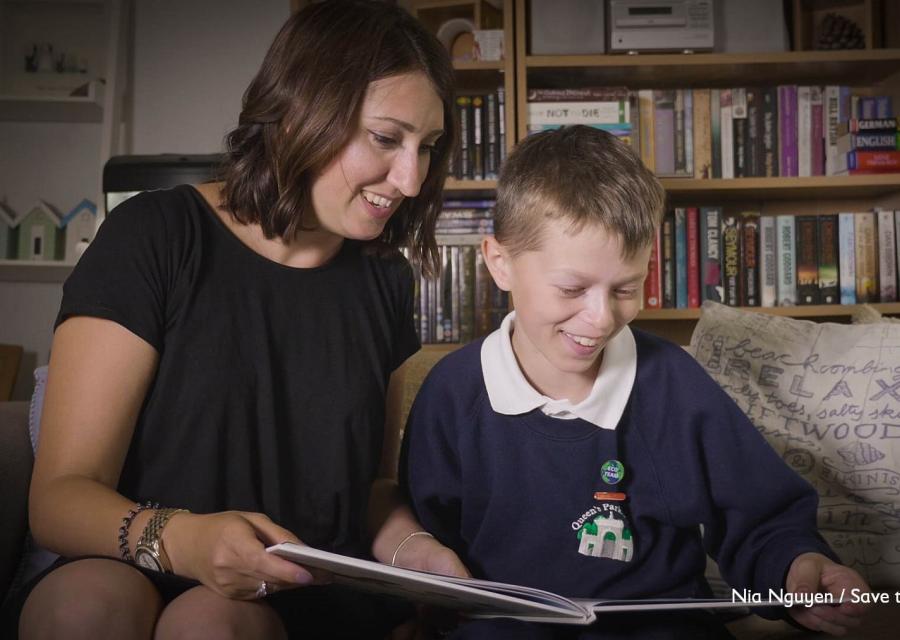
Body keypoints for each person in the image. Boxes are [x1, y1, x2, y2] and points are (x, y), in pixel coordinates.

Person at [3, 1, 470, 638]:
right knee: (84, 605)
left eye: (428, 148)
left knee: (211, 621)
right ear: (299, 112)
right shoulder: (154, 235)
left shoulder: (384, 279)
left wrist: (416, 552)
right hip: (133, 557)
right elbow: (61, 497)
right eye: (387, 139)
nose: (411, 181)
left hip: (299, 591)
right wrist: (185, 541)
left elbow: (369, 488)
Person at [400, 125, 872, 639]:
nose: (601, 318)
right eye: (572, 288)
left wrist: (799, 570)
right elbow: (422, 543)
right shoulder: (452, 394)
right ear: (500, 263)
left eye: (626, 288)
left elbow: (762, 519)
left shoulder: (673, 384)